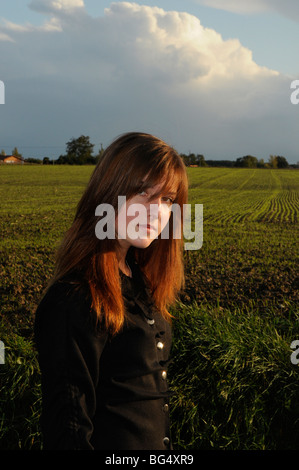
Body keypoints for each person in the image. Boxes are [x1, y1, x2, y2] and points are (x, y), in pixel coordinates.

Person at [34, 131, 189, 450]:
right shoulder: (74, 299)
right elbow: (68, 431)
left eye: (166, 200)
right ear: (108, 193)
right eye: (143, 193)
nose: (157, 211)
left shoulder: (139, 280)